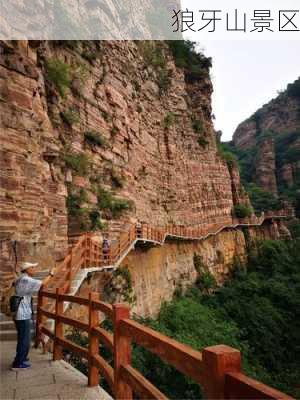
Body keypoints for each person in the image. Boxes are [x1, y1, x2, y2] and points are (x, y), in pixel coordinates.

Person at [11, 262, 54, 370]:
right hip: (22, 313)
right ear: (27, 269)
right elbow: (43, 284)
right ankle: (18, 363)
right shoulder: (26, 280)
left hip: (20, 312)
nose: (35, 269)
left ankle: (22, 357)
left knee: (23, 337)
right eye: (33, 267)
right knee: (24, 338)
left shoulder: (21, 278)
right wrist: (51, 274)